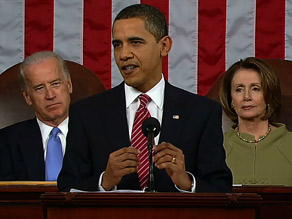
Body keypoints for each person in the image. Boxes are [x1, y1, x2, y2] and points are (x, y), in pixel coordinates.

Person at [58, 4, 232, 192]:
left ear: (164, 46)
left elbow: (221, 190)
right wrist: (105, 181)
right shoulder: (86, 113)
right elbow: (66, 190)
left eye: (135, 42)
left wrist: (186, 182)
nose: (123, 54)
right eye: (117, 44)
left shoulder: (202, 112)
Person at [0, 51, 73, 181]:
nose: (50, 95)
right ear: (27, 97)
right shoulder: (4, 143)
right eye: (39, 88)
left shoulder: (98, 133)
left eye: (55, 84)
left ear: (68, 85)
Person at [219, 57, 292, 186]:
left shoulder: (289, 143)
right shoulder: (216, 146)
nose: (247, 97)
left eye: (256, 88)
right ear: (231, 99)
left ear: (269, 95)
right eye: (239, 89)